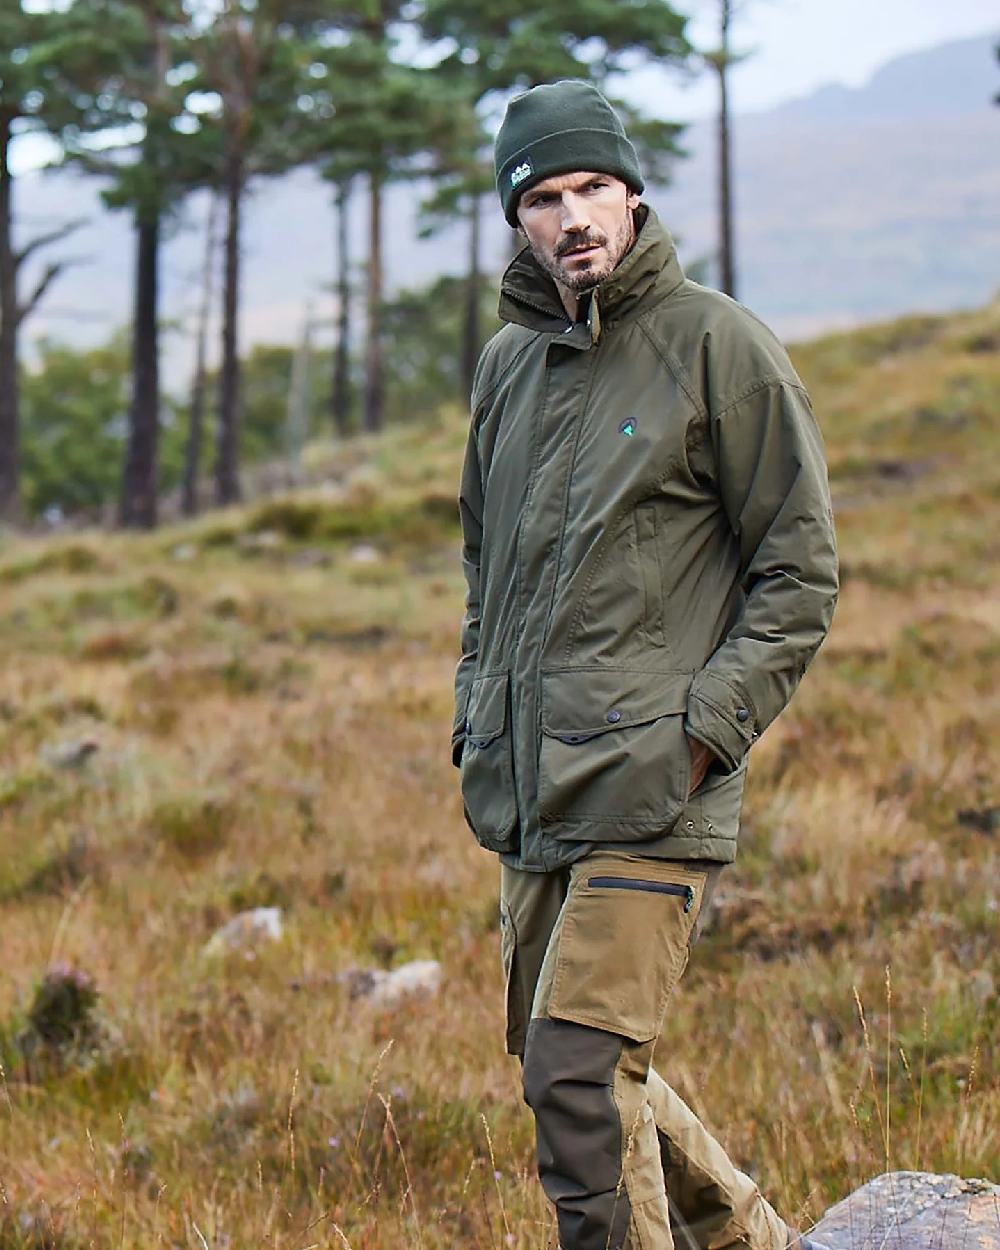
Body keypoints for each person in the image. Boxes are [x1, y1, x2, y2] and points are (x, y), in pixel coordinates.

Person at [452, 79, 840, 1250]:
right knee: (584, 1067)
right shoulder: (507, 372)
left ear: (630, 197)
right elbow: (486, 573)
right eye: (545, 197)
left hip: (654, 786)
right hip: (532, 789)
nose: (573, 217)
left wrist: (705, 729)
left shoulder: (721, 347)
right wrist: (479, 716)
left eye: (593, 190)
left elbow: (800, 573)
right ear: (518, 218)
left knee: (575, 1074)